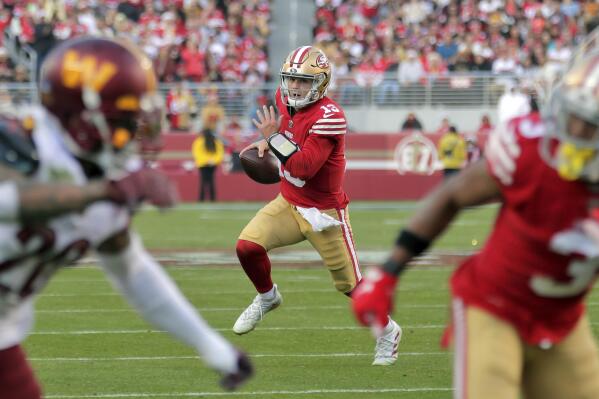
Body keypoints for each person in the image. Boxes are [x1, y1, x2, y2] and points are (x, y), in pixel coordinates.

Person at [0, 37, 252, 398]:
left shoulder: (113, 173)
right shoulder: (19, 141)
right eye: (121, 118)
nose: (133, 129)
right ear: (79, 115)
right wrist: (103, 192)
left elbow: (134, 272)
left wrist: (211, 345)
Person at [352, 49, 599, 399]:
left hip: (563, 324)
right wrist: (389, 271)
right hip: (492, 306)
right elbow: (453, 195)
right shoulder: (530, 147)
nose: (574, 131)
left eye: (591, 124)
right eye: (576, 114)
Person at [232, 45, 402, 366]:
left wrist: (272, 139)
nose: (294, 87)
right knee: (247, 247)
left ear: (321, 83)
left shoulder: (331, 116)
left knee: (352, 288)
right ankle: (268, 297)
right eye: (291, 80)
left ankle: (388, 330)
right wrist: (268, 141)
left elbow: (303, 167)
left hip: (324, 214)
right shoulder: (285, 101)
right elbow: (287, 131)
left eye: (303, 81)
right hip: (289, 201)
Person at [192, 128, 224, 201]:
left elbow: (196, 153)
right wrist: (213, 160)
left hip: (202, 164)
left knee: (203, 181)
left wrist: (206, 160)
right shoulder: (216, 141)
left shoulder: (199, 141)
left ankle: (201, 199)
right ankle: (212, 199)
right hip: (211, 164)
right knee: (211, 181)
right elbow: (220, 153)